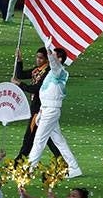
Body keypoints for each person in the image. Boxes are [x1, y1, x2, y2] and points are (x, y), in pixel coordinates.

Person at [27, 39, 83, 178]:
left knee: (39, 140)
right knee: (59, 141)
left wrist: (48, 50)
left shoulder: (60, 72)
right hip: (47, 109)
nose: (50, 57)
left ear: (59, 59)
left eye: (53, 55)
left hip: (51, 110)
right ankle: (74, 167)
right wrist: (41, 111)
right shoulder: (53, 73)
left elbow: (54, 64)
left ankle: (29, 169)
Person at [12, 45, 60, 159]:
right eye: (37, 57)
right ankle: (61, 159)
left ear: (47, 59)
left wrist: (19, 84)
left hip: (39, 108)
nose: (38, 60)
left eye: (41, 58)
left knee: (30, 136)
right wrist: (19, 60)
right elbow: (20, 75)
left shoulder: (48, 72)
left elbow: (35, 88)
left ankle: (19, 161)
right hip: (36, 107)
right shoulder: (37, 70)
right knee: (46, 137)